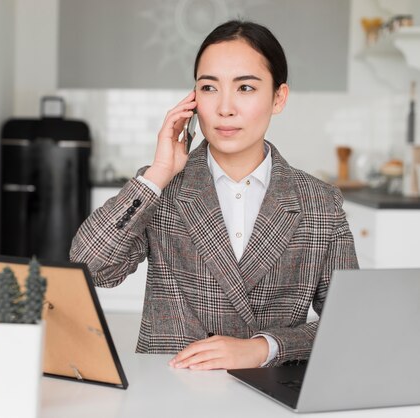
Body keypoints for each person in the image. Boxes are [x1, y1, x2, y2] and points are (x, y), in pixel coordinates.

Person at [70, 20, 358, 370]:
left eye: (246, 88)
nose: (225, 108)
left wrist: (264, 348)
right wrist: (158, 173)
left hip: (270, 394)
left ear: (278, 97)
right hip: (169, 388)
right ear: (193, 99)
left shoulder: (320, 203)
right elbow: (90, 267)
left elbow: (349, 327)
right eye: (209, 87)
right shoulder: (162, 190)